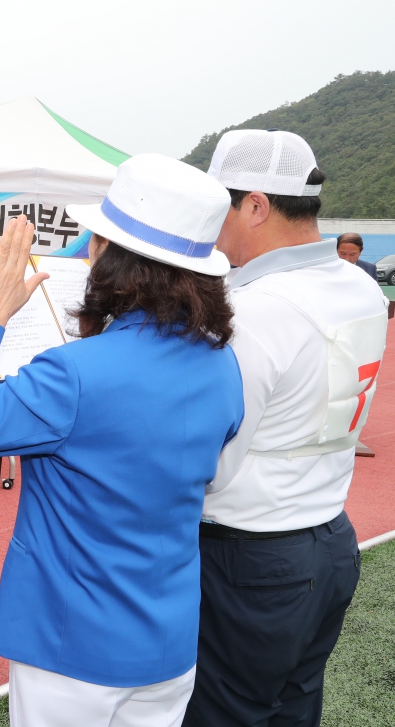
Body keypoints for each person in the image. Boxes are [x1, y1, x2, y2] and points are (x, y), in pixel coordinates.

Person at [0, 155, 243, 726]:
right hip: (167, 641)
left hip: (73, 648)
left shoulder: (72, 373)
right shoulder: (222, 365)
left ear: (110, 257)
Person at [184, 131, 389, 726]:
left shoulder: (255, 308)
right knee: (294, 707)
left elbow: (211, 460)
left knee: (224, 713)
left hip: (250, 559)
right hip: (328, 539)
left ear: (254, 205)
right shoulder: (359, 285)